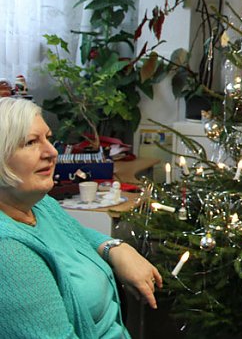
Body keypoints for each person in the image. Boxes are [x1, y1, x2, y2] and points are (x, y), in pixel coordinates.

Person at [0, 97, 162, 338]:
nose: (52, 152)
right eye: (31, 142)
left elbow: (79, 236)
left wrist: (117, 248)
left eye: (48, 138)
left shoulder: (42, 206)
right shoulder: (8, 254)